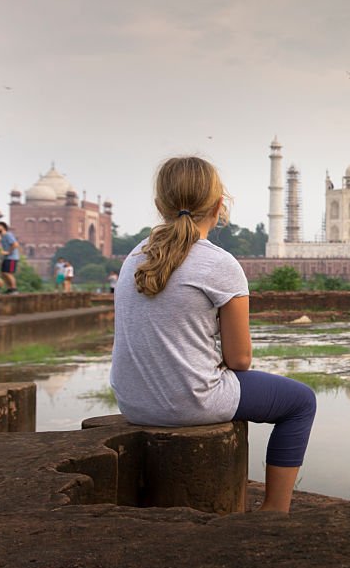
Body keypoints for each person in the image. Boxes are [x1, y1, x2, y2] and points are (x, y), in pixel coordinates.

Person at [110, 156, 315, 513]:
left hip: (132, 401)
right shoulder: (219, 264)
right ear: (221, 207)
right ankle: (275, 511)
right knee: (301, 402)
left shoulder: (133, 257)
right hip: (191, 403)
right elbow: (240, 360)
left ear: (160, 207)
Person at [0, 222, 20, 293]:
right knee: (3, 273)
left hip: (12, 257)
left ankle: (14, 288)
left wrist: (9, 252)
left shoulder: (8, 235)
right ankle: (9, 288)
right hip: (6, 258)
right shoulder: (1, 236)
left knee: (8, 273)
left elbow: (15, 244)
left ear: (3, 227)